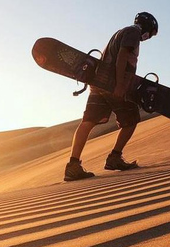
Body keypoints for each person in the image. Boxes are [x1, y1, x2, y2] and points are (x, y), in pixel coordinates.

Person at [64, 12, 159, 181]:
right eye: (150, 34)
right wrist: (120, 85)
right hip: (112, 83)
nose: (148, 38)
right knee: (131, 119)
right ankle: (115, 157)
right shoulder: (133, 33)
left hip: (98, 83)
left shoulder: (120, 32)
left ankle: (73, 165)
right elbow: (122, 56)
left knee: (88, 121)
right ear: (147, 28)